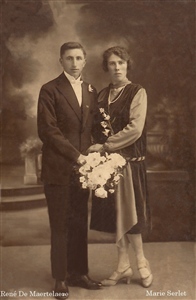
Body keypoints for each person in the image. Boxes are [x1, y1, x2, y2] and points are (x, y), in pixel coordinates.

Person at [37, 42, 102, 300]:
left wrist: (98, 153)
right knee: (60, 224)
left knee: (78, 223)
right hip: (59, 169)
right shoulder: (49, 90)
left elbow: (93, 127)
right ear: (60, 61)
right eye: (69, 58)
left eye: (78, 58)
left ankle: (79, 273)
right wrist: (78, 156)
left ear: (85, 61)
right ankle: (60, 278)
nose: (74, 63)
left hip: (83, 171)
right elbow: (47, 130)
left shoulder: (91, 90)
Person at [88, 46, 153, 288]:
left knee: (131, 216)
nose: (117, 67)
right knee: (116, 218)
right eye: (112, 63)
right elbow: (95, 128)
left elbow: (135, 129)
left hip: (129, 163)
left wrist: (106, 146)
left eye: (121, 63)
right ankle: (122, 265)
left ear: (127, 65)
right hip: (106, 166)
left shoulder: (137, 92)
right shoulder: (102, 96)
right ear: (106, 67)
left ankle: (142, 263)